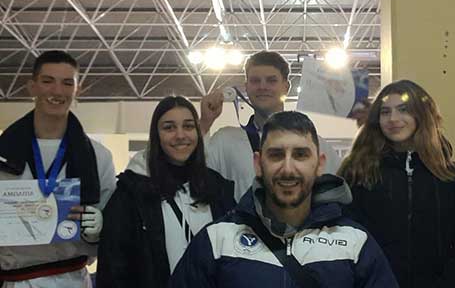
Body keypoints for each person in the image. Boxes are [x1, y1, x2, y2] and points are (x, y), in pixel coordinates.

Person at [169, 111, 398, 288]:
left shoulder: (355, 242)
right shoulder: (218, 240)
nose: (288, 169)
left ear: (319, 164)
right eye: (276, 155)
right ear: (258, 164)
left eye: (300, 155)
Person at [338, 80, 455, 287]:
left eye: (403, 110)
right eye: (385, 112)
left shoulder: (454, 177)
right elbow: (345, 239)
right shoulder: (357, 172)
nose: (393, 119)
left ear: (422, 115)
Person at [0, 50, 116, 288]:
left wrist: (100, 228)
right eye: (47, 81)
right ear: (32, 87)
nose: (57, 91)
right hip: (13, 280)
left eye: (67, 83)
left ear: (78, 90)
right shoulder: (3, 152)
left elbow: (114, 226)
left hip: (72, 279)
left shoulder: (98, 157)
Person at [96, 96, 236, 288]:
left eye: (188, 126)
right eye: (169, 128)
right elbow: (114, 266)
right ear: (156, 135)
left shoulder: (217, 187)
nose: (180, 135)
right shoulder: (132, 192)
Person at [200, 50, 341, 200]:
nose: (262, 87)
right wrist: (204, 124)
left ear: (286, 87)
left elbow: (338, 193)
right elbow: (196, 178)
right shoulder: (225, 141)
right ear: (246, 87)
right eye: (255, 81)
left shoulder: (314, 145)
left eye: (271, 80)